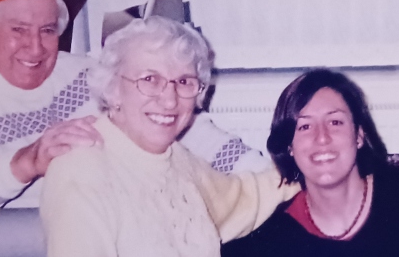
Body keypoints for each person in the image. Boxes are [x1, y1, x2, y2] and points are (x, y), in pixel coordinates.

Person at [0, 0, 269, 235]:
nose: (35, 47)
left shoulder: (83, 75)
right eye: (18, 30)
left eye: (47, 30)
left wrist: (267, 178)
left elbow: (183, 127)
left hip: (104, 222)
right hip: (2, 238)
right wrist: (25, 162)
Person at [40, 16, 299, 256]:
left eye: (184, 81)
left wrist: (312, 164)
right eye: (150, 79)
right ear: (113, 88)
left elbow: (245, 198)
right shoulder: (81, 172)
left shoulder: (178, 159)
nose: (169, 99)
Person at [222, 69, 399, 257]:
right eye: (304, 126)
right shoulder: (272, 236)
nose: (322, 137)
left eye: (335, 122)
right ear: (289, 147)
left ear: (359, 135)